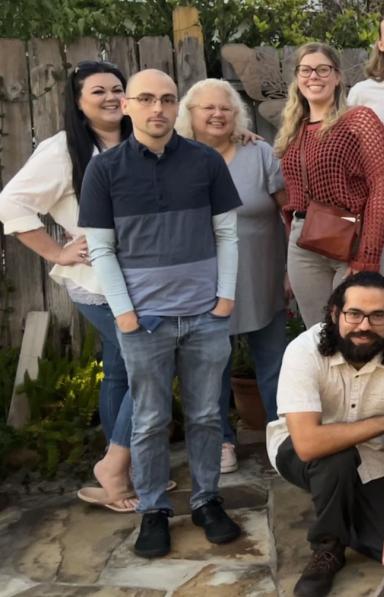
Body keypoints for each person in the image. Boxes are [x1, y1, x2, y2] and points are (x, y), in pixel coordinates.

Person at [79, 69, 243, 557]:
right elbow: (102, 251)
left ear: (178, 106)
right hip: (144, 322)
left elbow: (227, 235)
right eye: (147, 99)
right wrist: (124, 313)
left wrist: (225, 300)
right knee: (149, 420)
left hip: (204, 317)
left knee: (208, 416)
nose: (158, 109)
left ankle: (207, 500)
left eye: (167, 99)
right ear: (127, 106)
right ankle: (153, 509)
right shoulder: (104, 171)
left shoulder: (206, 161)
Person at [0, 61, 139, 511]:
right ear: (79, 103)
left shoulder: (140, 139)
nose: (111, 97)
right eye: (98, 91)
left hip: (147, 279)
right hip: (98, 283)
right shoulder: (63, 150)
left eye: (118, 88)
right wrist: (57, 251)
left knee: (122, 370)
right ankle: (114, 466)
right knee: (148, 367)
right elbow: (11, 203)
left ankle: (123, 465)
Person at [268, 272, 384, 597]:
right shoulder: (304, 351)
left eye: (377, 316)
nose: (364, 326)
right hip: (300, 449)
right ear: (335, 314)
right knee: (336, 459)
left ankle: (345, 511)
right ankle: (328, 549)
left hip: (372, 456)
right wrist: (382, 424)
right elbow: (307, 444)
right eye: (354, 314)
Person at [176, 78, 288, 474]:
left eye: (224, 107)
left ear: (236, 114)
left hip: (262, 274)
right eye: (207, 108)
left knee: (274, 363)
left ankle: (282, 438)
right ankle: (222, 438)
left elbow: (288, 212)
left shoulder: (258, 153)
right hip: (203, 284)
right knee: (211, 368)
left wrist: (291, 267)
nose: (217, 114)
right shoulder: (177, 158)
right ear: (190, 115)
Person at [276, 43, 384, 328]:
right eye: (306, 70)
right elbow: (293, 194)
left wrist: (367, 257)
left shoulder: (359, 120)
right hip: (304, 243)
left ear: (337, 77)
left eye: (323, 69)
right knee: (319, 336)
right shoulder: (293, 131)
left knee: (360, 334)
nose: (314, 77)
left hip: (355, 236)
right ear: (297, 78)